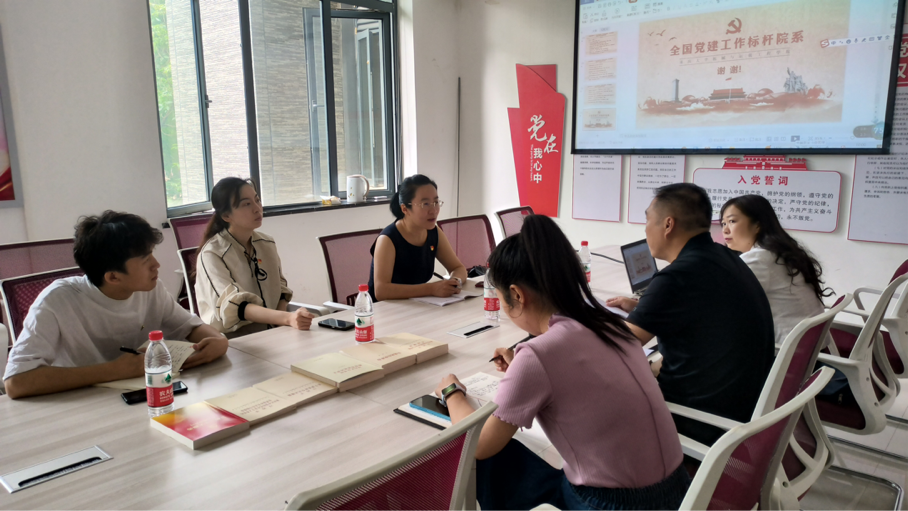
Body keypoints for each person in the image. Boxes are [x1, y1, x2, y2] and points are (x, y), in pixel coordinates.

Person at [434, 215, 689, 511]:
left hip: (611, 504)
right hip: (679, 491)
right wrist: (522, 369)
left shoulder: (538, 355)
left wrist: (452, 392)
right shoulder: (610, 323)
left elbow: (479, 445)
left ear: (516, 295)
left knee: (488, 457)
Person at [606, 183, 775, 446]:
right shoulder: (723, 256)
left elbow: (617, 346)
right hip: (742, 411)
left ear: (668, 225)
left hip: (702, 423)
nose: (645, 229)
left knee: (602, 391)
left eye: (647, 220)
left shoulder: (677, 277)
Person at [4, 211, 229, 399]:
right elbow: (16, 382)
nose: (157, 265)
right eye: (146, 260)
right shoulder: (56, 301)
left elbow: (189, 326)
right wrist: (113, 370)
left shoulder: (151, 290)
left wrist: (219, 341)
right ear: (113, 277)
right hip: (83, 407)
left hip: (143, 398)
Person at [195, 177, 312, 337]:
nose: (257, 208)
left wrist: (280, 325)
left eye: (257, 200)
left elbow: (280, 289)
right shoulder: (212, 254)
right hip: (234, 341)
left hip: (273, 334)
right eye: (246, 204)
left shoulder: (266, 243)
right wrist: (287, 318)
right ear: (226, 215)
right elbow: (235, 306)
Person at [721, 194, 830, 344]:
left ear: (757, 225)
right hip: (810, 344)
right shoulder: (778, 251)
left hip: (788, 350)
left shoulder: (758, 259)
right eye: (723, 223)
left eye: (732, 221)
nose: (725, 230)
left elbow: (723, 304)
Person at [368, 174, 467, 301]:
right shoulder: (388, 239)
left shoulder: (434, 232)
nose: (433, 210)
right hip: (385, 309)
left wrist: (455, 281)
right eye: (425, 204)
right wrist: (431, 289)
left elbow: (458, 268)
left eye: (436, 202)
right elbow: (381, 291)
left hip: (417, 305)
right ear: (405, 209)